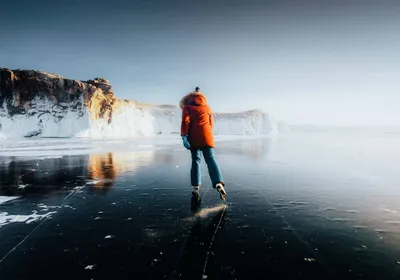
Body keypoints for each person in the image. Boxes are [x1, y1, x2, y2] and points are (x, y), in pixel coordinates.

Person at [180, 87, 227, 201]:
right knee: (210, 159)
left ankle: (196, 187)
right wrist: (206, 134)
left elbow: (185, 121)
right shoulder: (208, 108)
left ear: (190, 98)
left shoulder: (187, 107)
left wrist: (184, 136)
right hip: (207, 137)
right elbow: (211, 124)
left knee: (196, 160)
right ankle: (218, 182)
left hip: (194, 137)